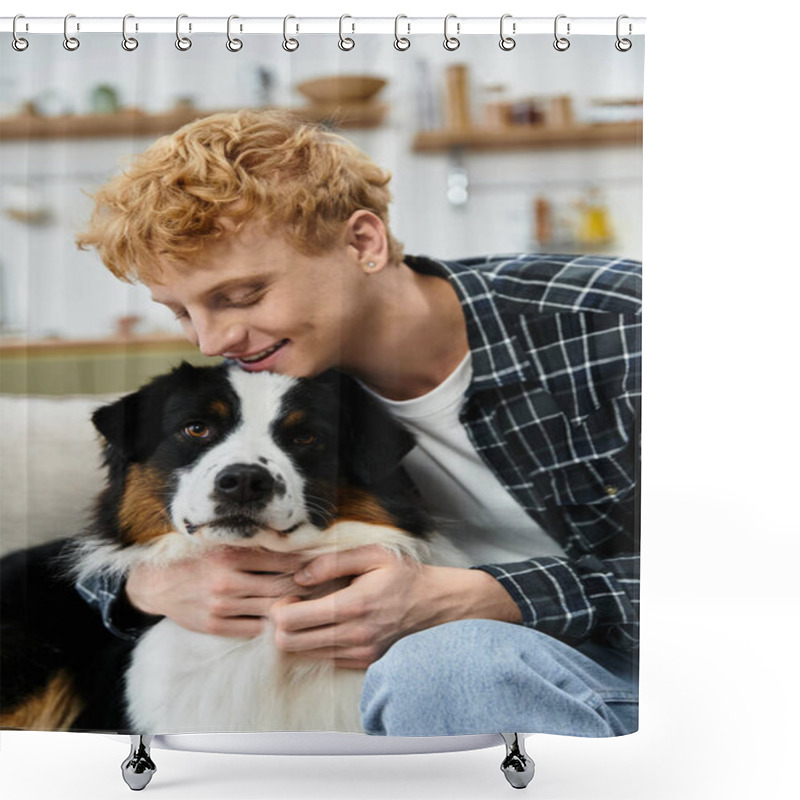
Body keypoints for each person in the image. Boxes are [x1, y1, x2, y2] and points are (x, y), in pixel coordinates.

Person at [75, 108, 641, 737]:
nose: (213, 340)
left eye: (243, 296)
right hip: (445, 683)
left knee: (445, 666)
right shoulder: (285, 385)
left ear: (362, 243)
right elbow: (116, 534)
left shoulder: (620, 323)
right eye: (182, 311)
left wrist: (487, 595)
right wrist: (145, 590)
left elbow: (742, 576)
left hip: (649, 673)